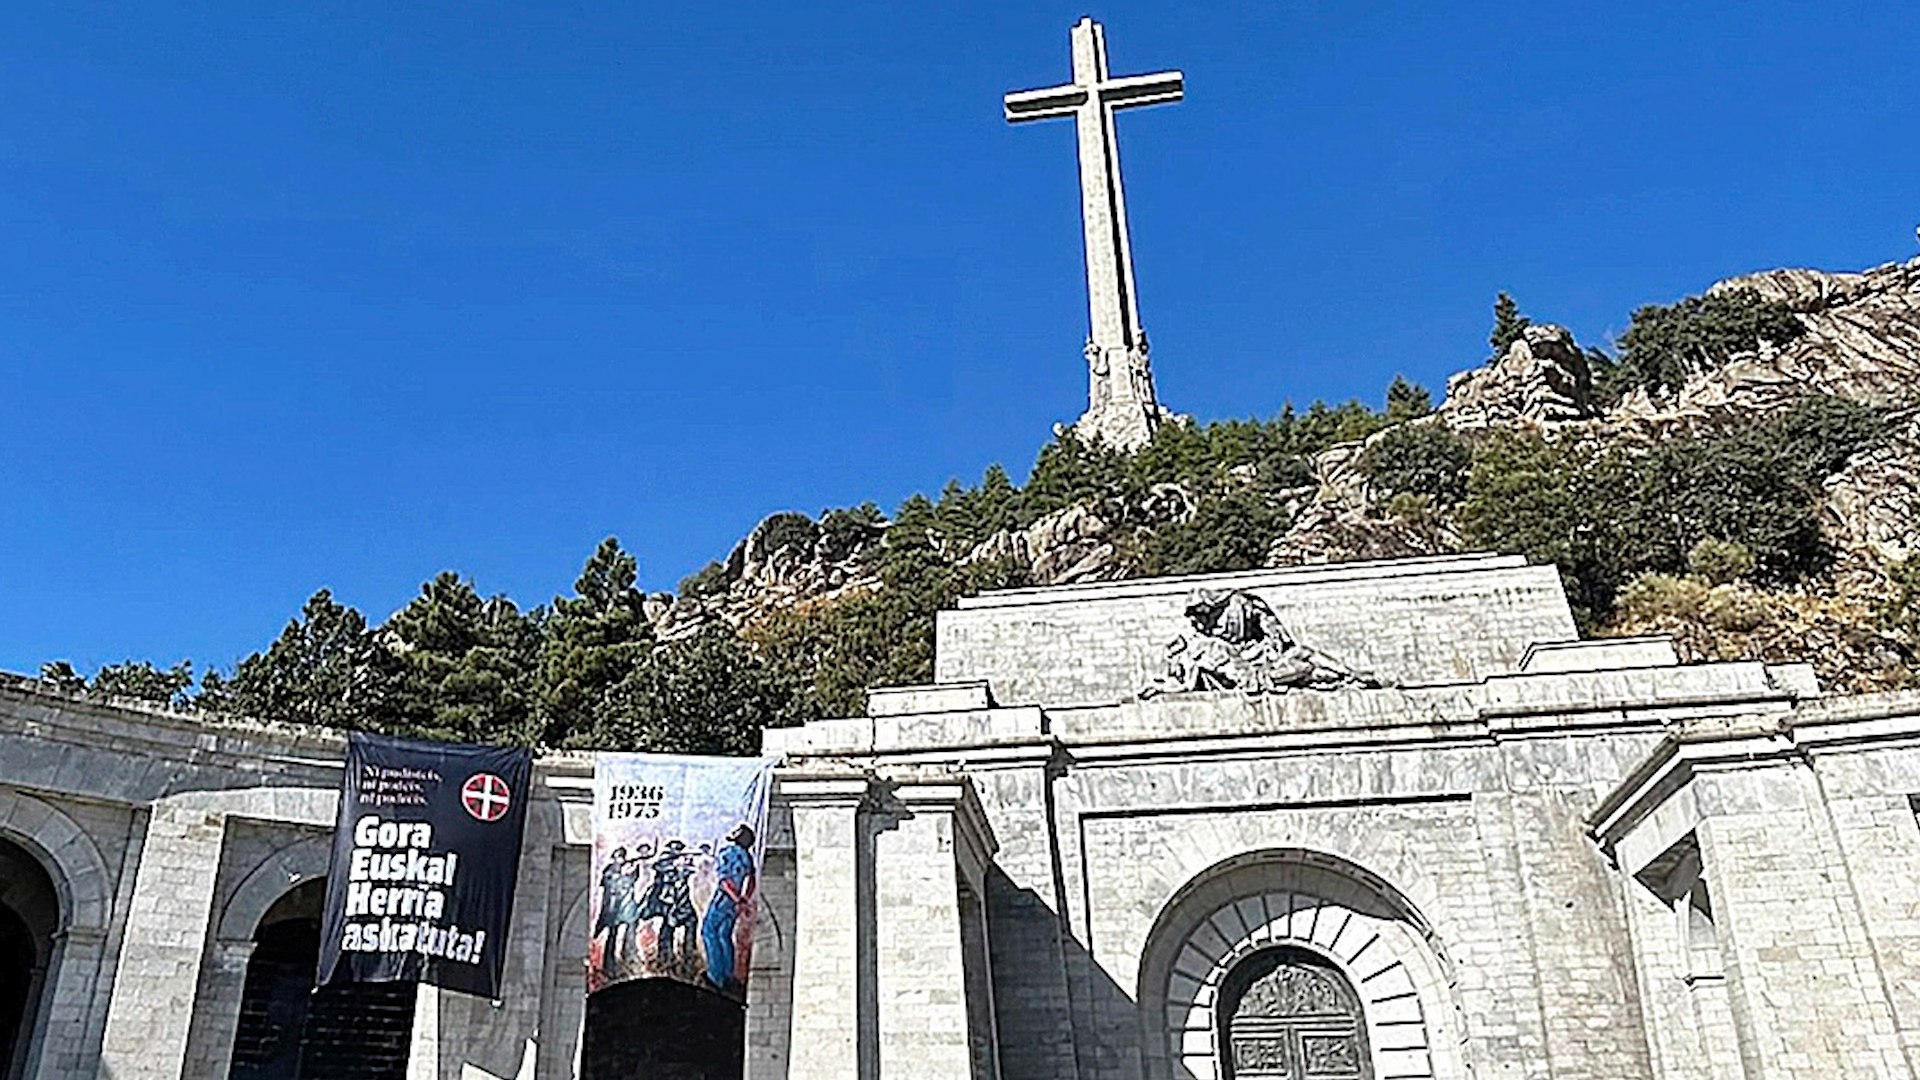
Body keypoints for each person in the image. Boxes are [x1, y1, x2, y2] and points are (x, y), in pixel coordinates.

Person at [702, 824, 758, 994]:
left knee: (709, 931)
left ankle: (715, 976)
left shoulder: (727, 852)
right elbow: (752, 880)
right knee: (724, 935)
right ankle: (728, 976)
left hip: (724, 898)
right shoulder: (747, 856)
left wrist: (737, 899)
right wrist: (744, 899)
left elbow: (725, 881)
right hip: (735, 902)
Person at [638, 839, 698, 968]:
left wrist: (684, 863)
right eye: (675, 848)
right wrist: (674, 864)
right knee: (668, 927)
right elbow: (658, 866)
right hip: (666, 899)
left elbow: (690, 870)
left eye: (679, 849)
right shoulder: (665, 860)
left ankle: (689, 956)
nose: (677, 851)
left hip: (680, 900)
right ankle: (665, 957)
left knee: (691, 920)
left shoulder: (680, 864)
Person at [593, 846, 639, 968]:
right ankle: (609, 962)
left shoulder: (629, 867)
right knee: (613, 933)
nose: (619, 860)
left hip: (626, 904)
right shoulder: (609, 870)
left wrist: (631, 872)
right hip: (613, 906)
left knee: (632, 924)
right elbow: (608, 883)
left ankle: (629, 954)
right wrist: (620, 875)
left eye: (621, 857)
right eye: (617, 857)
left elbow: (633, 880)